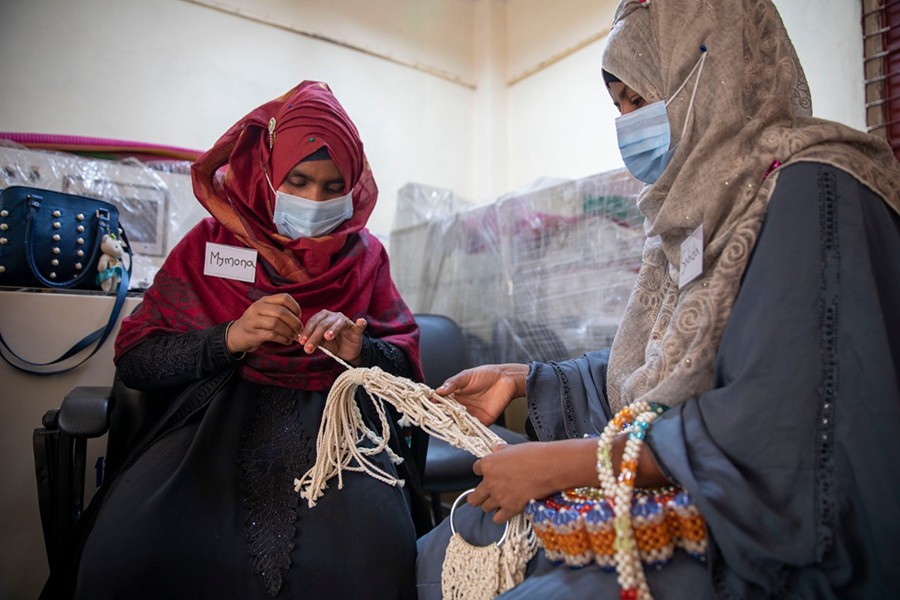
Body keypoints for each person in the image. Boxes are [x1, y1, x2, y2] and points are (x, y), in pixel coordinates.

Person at [416, 0, 900, 598]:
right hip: (680, 495)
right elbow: (660, 379)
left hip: (765, 547)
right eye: (618, 106)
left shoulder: (816, 189)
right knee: (449, 540)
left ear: (710, 67)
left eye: (639, 99)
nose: (627, 124)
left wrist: (567, 464)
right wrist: (524, 379)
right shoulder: (686, 217)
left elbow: (781, 432)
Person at [46, 81, 431, 599]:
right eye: (298, 181)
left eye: (332, 187)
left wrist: (359, 352)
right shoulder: (210, 243)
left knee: (369, 559)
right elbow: (137, 360)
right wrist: (230, 337)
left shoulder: (365, 259)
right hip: (208, 419)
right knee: (135, 551)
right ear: (268, 171)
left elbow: (407, 375)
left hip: (338, 430)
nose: (314, 200)